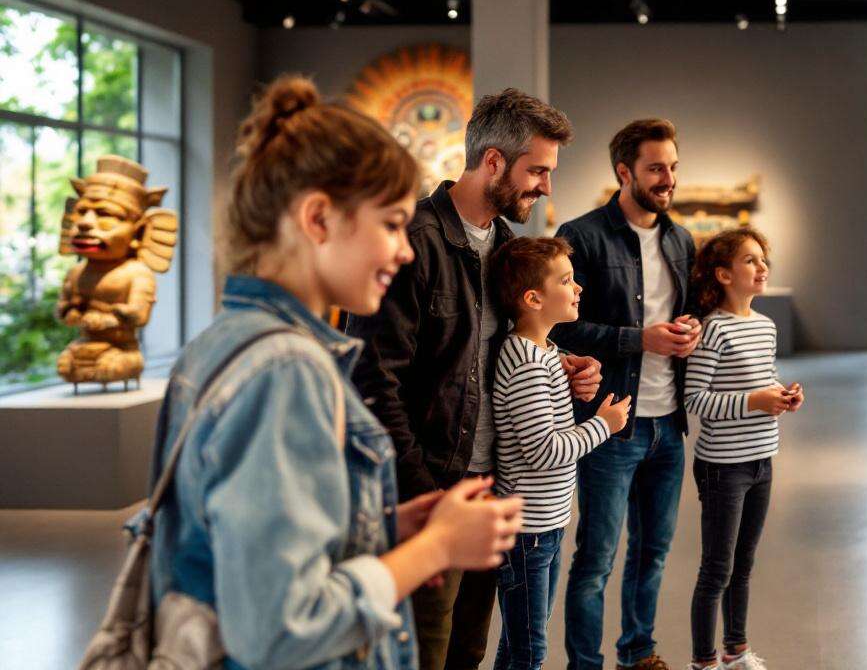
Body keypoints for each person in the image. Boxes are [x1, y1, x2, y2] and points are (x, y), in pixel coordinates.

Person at [145, 75, 523, 669]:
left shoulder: (225, 344)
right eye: (391, 224)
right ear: (319, 218)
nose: (403, 250)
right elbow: (282, 626)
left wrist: (383, 525)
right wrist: (436, 548)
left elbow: (255, 548)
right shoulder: (285, 373)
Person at [345, 89, 602, 670]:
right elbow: (372, 381)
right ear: (492, 162)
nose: (546, 187)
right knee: (424, 652)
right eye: (537, 171)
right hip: (434, 489)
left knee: (470, 650)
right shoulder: (412, 241)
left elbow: (490, 355)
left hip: (493, 487)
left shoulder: (508, 248)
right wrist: (424, 494)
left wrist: (556, 366)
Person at [554, 118, 701, 670]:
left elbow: (684, 318)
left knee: (653, 553)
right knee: (596, 558)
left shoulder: (681, 240)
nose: (668, 179)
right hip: (610, 425)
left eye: (673, 167)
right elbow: (560, 327)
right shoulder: (582, 236)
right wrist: (639, 339)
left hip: (669, 427)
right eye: (656, 169)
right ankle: (584, 664)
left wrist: (692, 331)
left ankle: (638, 652)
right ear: (624, 172)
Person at [488, 236, 632, 670]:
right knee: (530, 652)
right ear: (533, 298)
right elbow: (544, 451)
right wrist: (603, 426)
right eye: (566, 280)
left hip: (543, 525)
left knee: (518, 647)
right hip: (528, 532)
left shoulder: (547, 353)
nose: (578, 288)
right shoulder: (528, 363)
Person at [683, 228, 803, 670]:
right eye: (750, 260)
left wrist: (783, 396)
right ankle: (703, 661)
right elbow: (695, 400)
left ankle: (735, 650)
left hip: (761, 460)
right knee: (716, 568)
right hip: (722, 467)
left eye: (763, 259)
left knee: (744, 565)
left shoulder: (765, 326)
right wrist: (755, 401)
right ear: (723, 274)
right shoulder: (713, 329)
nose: (762, 267)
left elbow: (761, 382)